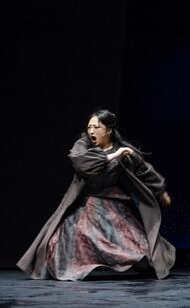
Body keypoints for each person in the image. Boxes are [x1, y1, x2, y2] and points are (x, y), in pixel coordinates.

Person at [17, 109, 175, 281]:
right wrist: (114, 155)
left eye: (97, 127)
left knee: (135, 245)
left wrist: (160, 190)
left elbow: (144, 171)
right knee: (72, 236)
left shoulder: (124, 152)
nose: (91, 131)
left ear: (108, 130)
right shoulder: (83, 146)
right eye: (89, 127)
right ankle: (73, 269)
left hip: (113, 205)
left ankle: (151, 264)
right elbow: (81, 163)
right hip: (86, 204)